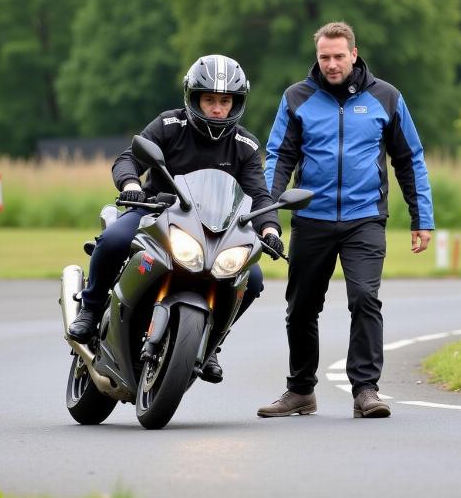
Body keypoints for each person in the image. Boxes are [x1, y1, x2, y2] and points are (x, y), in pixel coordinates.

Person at [68, 54, 284, 384]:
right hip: (155, 214)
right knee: (113, 240)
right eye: (209, 99)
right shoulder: (169, 125)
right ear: (193, 97)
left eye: (224, 101)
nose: (216, 108)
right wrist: (130, 184)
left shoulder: (245, 145)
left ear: (235, 103)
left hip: (215, 231)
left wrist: (269, 227)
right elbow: (129, 158)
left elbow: (259, 194)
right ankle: (91, 307)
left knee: (251, 279)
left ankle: (211, 344)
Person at [258, 21, 433, 418]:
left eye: (339, 56)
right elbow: (279, 157)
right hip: (311, 218)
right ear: (316, 57)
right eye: (324, 57)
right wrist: (268, 213)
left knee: (365, 298)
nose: (332, 64)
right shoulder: (296, 98)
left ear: (354, 54)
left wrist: (422, 217)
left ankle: (366, 391)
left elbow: (409, 159)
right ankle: (300, 390)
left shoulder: (386, 97)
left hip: (364, 219)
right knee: (301, 307)